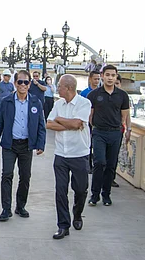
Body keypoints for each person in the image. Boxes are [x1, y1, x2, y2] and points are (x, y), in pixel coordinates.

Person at [0, 70, 46, 222]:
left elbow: (41, 125)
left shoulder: (36, 102)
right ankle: (6, 208)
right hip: (10, 144)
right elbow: (0, 123)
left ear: (29, 84)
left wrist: (40, 143)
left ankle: (20, 206)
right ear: (15, 84)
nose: (23, 85)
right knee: (7, 175)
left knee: (25, 176)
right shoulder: (7, 101)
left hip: (26, 145)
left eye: (26, 82)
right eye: (20, 82)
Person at [46, 74, 91, 240]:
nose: (57, 89)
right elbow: (49, 123)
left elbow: (77, 124)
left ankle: (77, 214)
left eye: (60, 86)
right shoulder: (58, 103)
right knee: (60, 191)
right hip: (61, 154)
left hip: (79, 154)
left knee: (80, 189)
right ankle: (63, 225)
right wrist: (67, 123)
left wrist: (60, 120)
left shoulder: (84, 103)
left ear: (68, 88)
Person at [87, 65, 130, 207]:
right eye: (108, 75)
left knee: (111, 164)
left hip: (115, 133)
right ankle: (94, 195)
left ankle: (106, 194)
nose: (110, 78)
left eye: (113, 75)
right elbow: (90, 116)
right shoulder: (94, 95)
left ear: (116, 76)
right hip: (99, 132)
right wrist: (94, 128)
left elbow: (124, 116)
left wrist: (124, 129)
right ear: (103, 76)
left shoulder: (122, 95)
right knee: (99, 162)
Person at [112, 74, 132, 188]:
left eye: (117, 83)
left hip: (118, 130)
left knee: (114, 156)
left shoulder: (123, 97)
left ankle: (111, 178)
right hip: (104, 130)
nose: (116, 85)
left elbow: (127, 115)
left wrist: (129, 129)